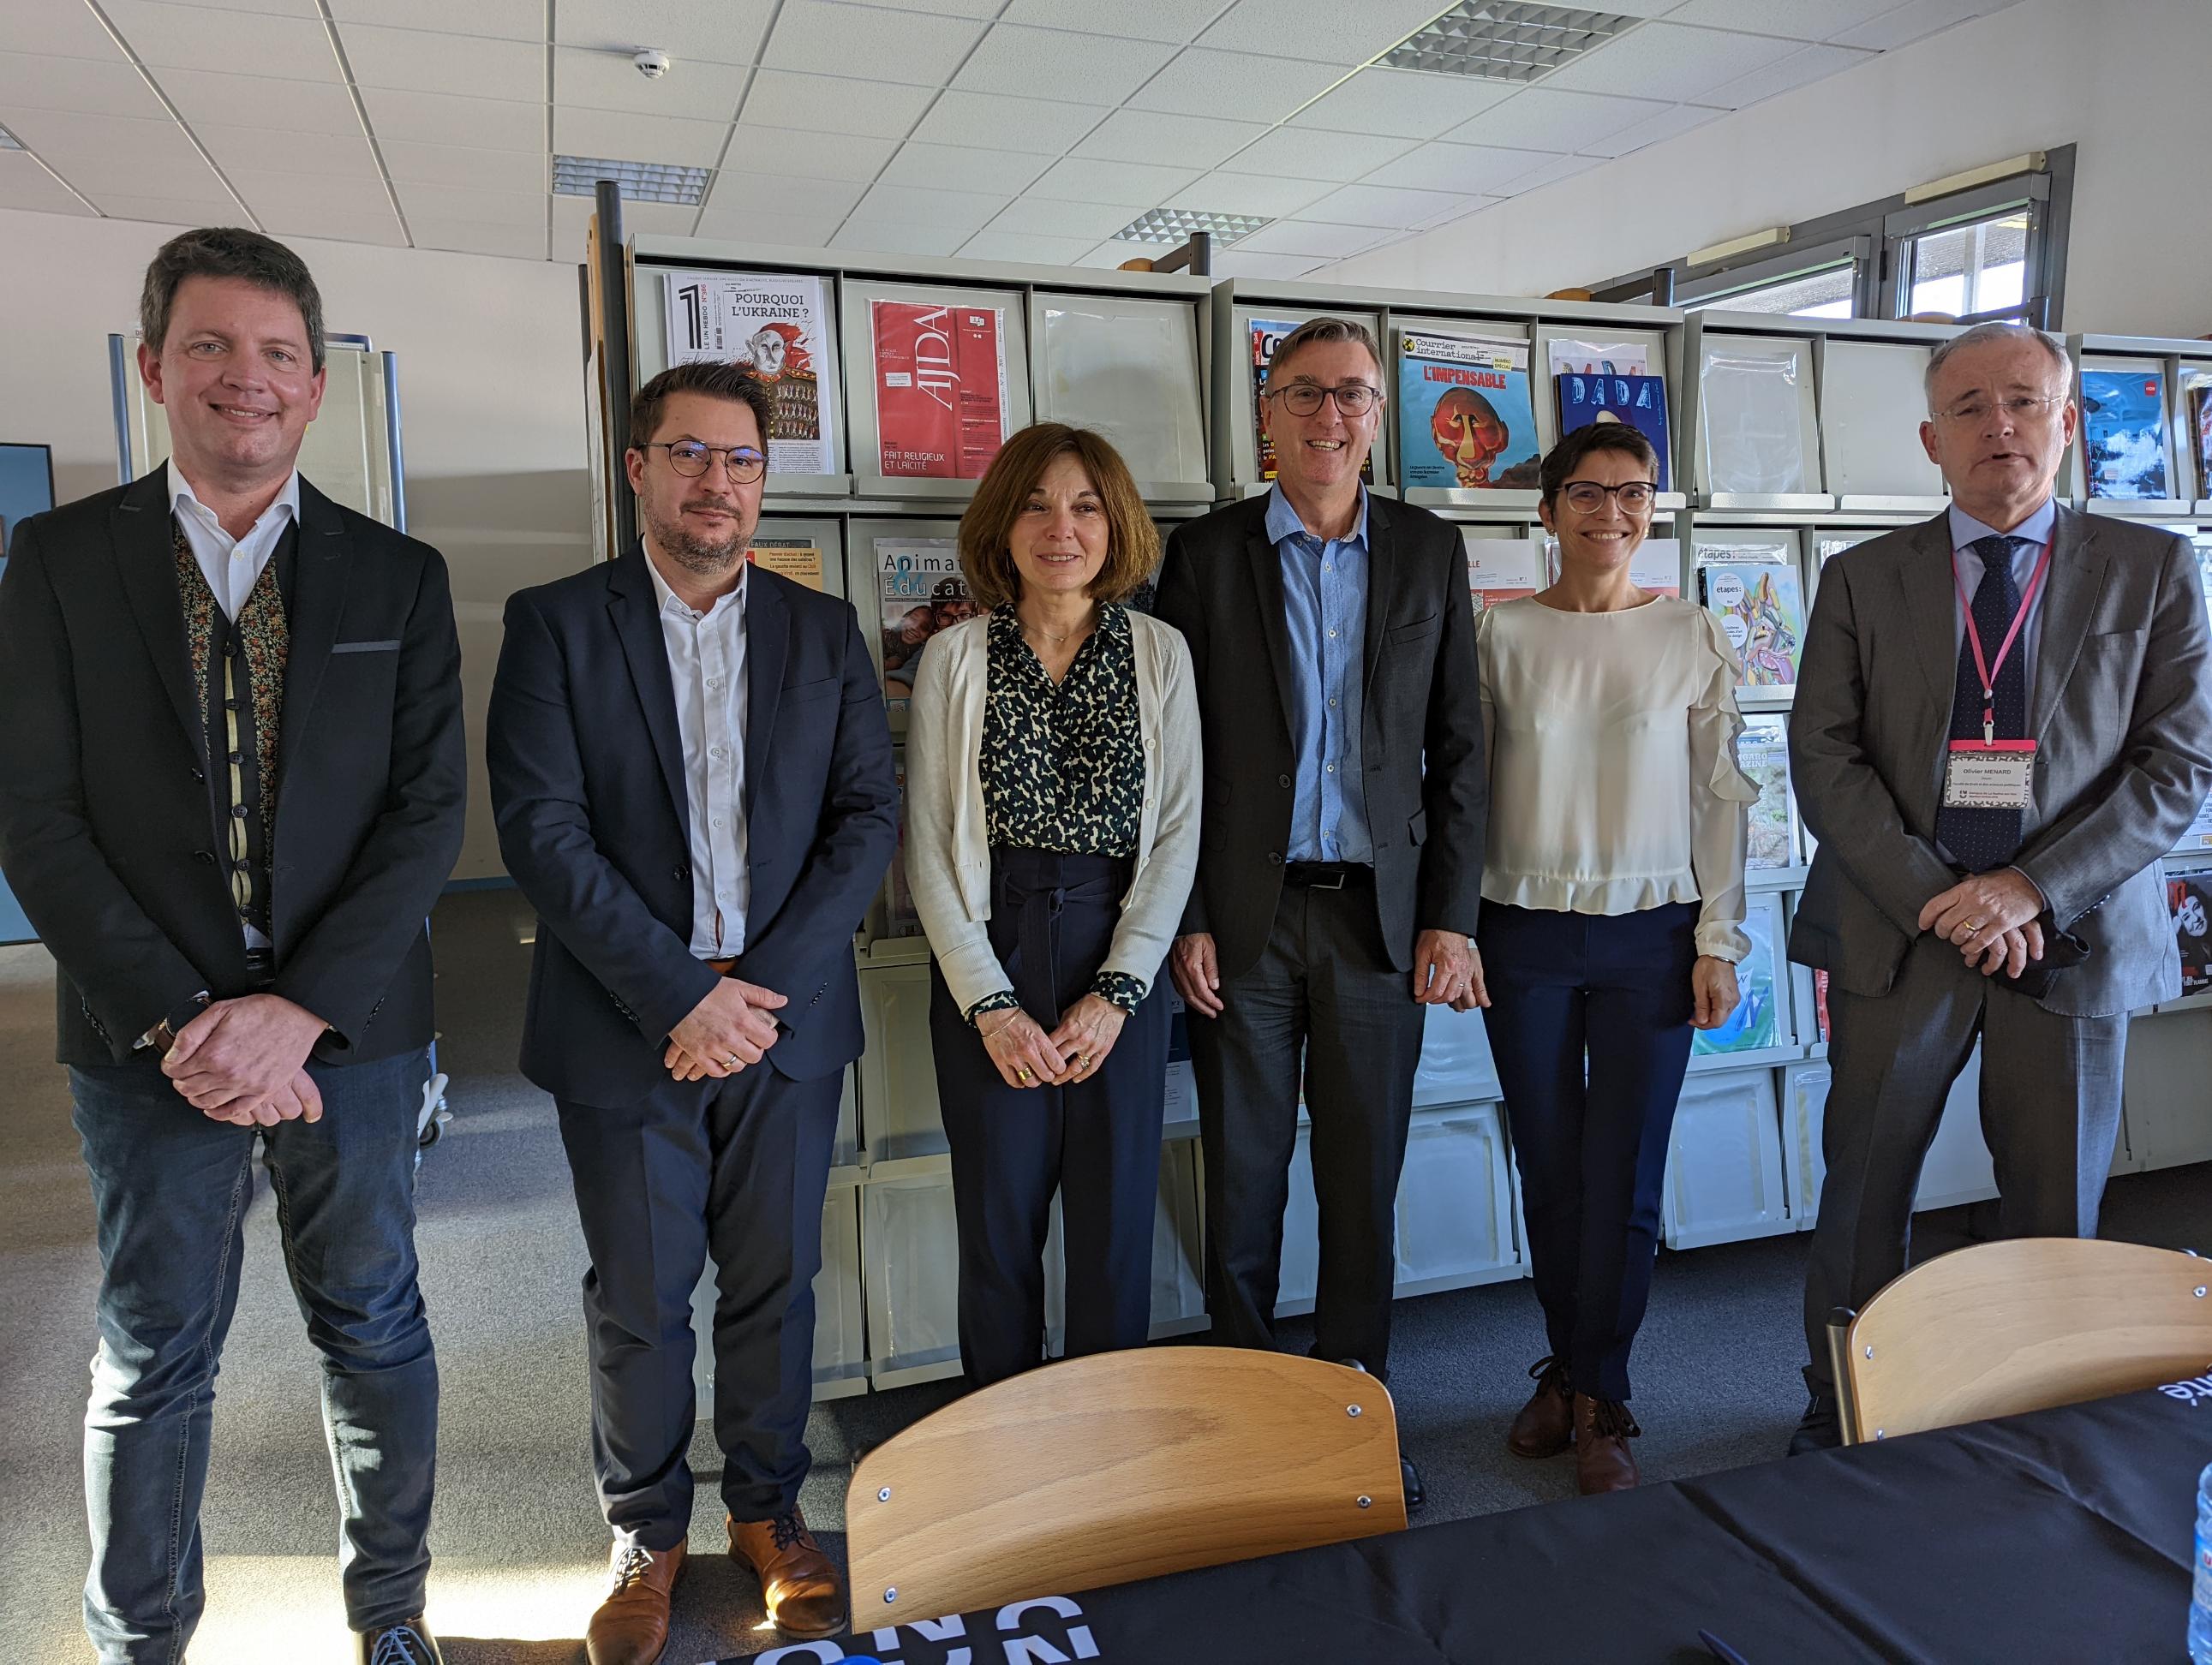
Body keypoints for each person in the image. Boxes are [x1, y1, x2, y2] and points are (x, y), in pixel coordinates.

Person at [0, 227, 466, 1665]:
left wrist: (298, 1009)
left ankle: (390, 1613)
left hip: (357, 1039)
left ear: (315, 387)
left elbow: (426, 813)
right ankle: (138, 1634)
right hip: (149, 1045)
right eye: (208, 345)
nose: (243, 379)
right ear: (154, 367)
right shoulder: (60, 558)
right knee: (151, 1355)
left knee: (376, 1323)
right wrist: (190, 1017)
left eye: (275, 353)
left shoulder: (397, 575)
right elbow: (36, 810)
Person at [487, 361, 897, 1656]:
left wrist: (753, 993)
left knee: (776, 1283)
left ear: (761, 481)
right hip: (627, 1027)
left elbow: (864, 818)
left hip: (781, 1025)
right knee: (641, 1297)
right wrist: (682, 995)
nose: (715, 481)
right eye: (688, 454)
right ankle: (648, 1531)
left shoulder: (819, 633)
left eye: (739, 460)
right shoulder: (555, 623)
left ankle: (770, 1513)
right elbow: (541, 832)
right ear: (638, 468)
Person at [1788, 321, 2212, 1452]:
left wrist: (2028, 887)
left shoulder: (2152, 566)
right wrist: (1941, 896)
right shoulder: (1858, 580)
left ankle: (2042, 1419)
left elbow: (2178, 764)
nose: (1998, 426)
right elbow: (1823, 758)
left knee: (2053, 1203)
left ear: (2065, 425)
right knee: (1862, 1194)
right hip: (1899, 930)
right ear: (1931, 439)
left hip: (2067, 938)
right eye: (1969, 407)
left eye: (2023, 401)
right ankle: (1839, 1410)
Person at [1152, 316, 1486, 1510]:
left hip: (1377, 926)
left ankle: (1352, 1408)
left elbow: (1461, 748)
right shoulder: (1204, 556)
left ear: (1374, 411)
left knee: (1361, 1182)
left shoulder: (1428, 552)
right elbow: (1171, 752)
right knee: (1241, 1180)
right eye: (1304, 394)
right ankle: (1249, 1413)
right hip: (1241, 922)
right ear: (1266, 416)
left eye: (1350, 394)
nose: (1329, 416)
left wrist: (1452, 916)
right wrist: (1185, 912)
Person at [1474, 423, 1752, 1494]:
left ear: (1652, 508)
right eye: (1584, 493)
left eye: (1631, 494)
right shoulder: (1495, 636)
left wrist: (1717, 939)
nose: (1609, 513)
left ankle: (1604, 1395)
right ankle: (1564, 1366)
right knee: (1547, 1167)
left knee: (1624, 1175)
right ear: (1545, 511)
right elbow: (1459, 794)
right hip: (1524, 928)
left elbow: (1717, 802)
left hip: (1654, 933)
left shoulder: (1689, 634)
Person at [904, 423, 1200, 1388]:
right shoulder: (954, 658)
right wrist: (988, 1004)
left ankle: (1102, 1459)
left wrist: (1117, 990)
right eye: (1034, 503)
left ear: (1114, 524)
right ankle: (1005, 1453)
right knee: (998, 1225)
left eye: (1082, 505)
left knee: (1114, 1226)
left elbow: (1176, 834)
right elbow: (931, 851)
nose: (1059, 527)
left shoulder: (1159, 652)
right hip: (991, 948)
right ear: (1002, 522)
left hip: (1122, 950)